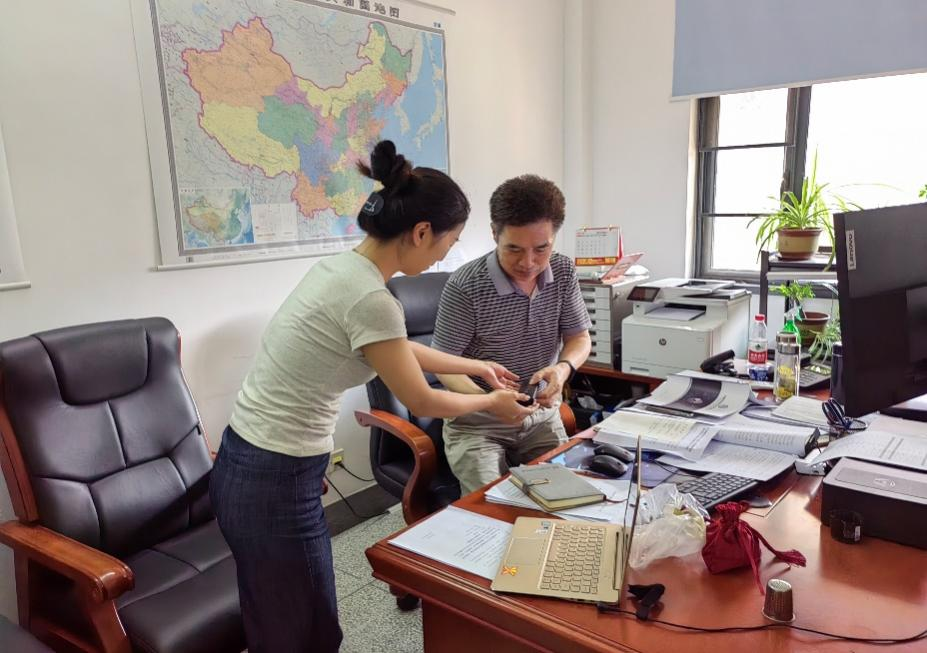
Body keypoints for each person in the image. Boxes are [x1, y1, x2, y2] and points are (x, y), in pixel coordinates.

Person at [209, 141, 535, 653]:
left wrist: (476, 366)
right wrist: (490, 403)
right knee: (302, 631)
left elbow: (394, 346)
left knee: (285, 618)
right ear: (421, 232)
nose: (445, 255)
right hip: (272, 475)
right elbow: (422, 401)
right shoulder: (370, 297)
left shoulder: (344, 270)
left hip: (254, 460)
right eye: (448, 242)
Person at [431, 174, 593, 495]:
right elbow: (442, 365)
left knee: (567, 496)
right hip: (478, 424)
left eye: (541, 248)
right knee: (491, 506)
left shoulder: (563, 271)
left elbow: (579, 338)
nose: (528, 263)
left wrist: (563, 370)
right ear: (495, 233)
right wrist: (491, 402)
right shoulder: (466, 286)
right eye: (514, 249)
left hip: (540, 416)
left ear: (554, 237)